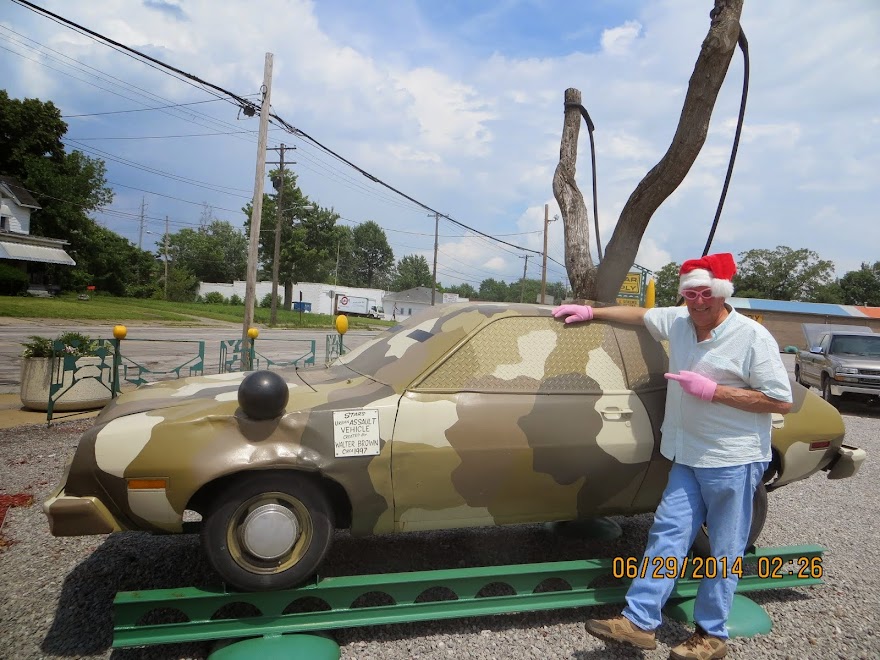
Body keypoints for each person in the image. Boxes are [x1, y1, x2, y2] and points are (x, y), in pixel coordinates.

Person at [552, 253, 792, 660]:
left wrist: (713, 391)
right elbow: (642, 315)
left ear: (721, 294)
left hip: (732, 460)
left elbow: (780, 401)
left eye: (706, 294)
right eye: (690, 294)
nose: (698, 302)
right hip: (687, 455)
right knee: (667, 535)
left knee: (724, 550)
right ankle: (640, 622)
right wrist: (591, 310)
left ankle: (711, 635)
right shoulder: (680, 322)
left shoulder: (751, 337)